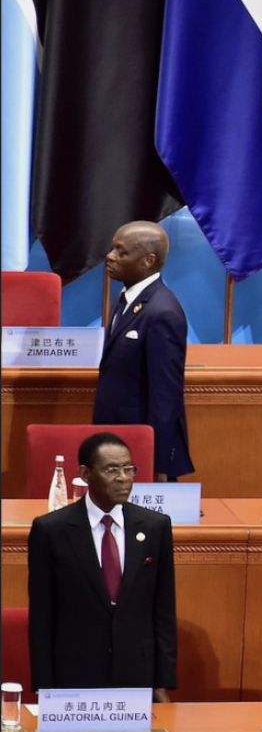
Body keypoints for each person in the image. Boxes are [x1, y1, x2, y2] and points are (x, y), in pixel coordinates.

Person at [28, 432, 176, 699]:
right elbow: (42, 616)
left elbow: (163, 610)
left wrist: (162, 683)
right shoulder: (51, 530)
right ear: (85, 474)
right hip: (73, 677)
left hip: (136, 674)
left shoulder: (155, 527)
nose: (123, 478)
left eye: (128, 469)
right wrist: (43, 687)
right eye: (111, 469)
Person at [93, 222, 193, 480]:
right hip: (115, 439)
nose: (110, 256)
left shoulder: (163, 312)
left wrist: (157, 463)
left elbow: (165, 394)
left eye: (121, 252)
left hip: (138, 451)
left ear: (147, 260)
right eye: (112, 248)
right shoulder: (126, 298)